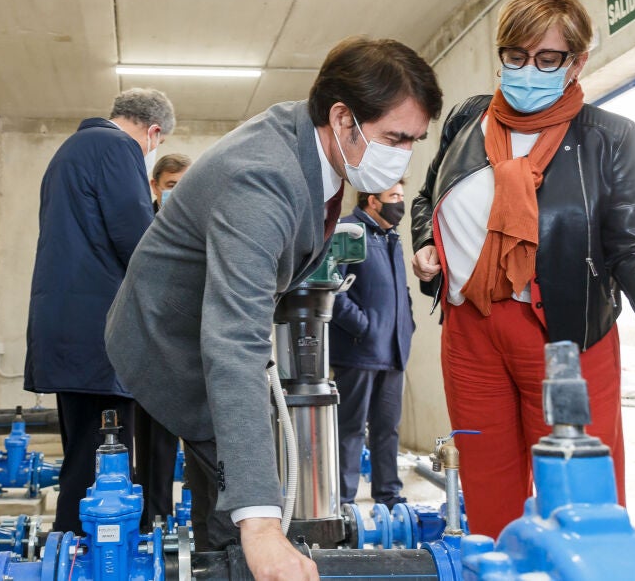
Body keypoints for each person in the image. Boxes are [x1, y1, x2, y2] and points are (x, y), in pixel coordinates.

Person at [106, 37, 442, 580]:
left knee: (241, 471)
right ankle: (234, 559)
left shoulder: (316, 148)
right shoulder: (262, 180)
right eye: (395, 138)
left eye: (414, 141)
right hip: (167, 341)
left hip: (206, 326)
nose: (404, 155)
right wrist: (262, 528)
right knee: (241, 496)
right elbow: (233, 343)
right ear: (343, 118)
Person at [409, 0, 635, 540]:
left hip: (566, 333)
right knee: (486, 483)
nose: (526, 70)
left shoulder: (609, 137)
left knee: (579, 490)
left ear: (577, 62)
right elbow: (425, 198)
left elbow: (631, 242)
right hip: (470, 331)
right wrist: (426, 243)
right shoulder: (467, 119)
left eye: (547, 59)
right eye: (515, 56)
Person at [24, 88, 174, 535]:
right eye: (157, 144)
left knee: (81, 460)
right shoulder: (118, 147)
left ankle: (69, 552)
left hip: (67, 331)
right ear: (152, 132)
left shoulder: (71, 151)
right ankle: (88, 554)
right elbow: (138, 241)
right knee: (104, 470)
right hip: (99, 338)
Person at [329, 181, 415, 508]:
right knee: (350, 429)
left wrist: (406, 324)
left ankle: (389, 497)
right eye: (394, 197)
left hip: (393, 351)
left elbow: (401, 290)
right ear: (372, 201)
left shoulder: (391, 237)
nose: (400, 203)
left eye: (402, 197)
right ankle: (344, 502)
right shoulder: (348, 231)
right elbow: (333, 287)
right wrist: (363, 327)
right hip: (358, 351)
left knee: (387, 429)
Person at [135, 152, 192, 529]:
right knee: (155, 443)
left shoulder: (199, 223)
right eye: (171, 185)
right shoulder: (141, 225)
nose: (177, 192)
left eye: (184, 185)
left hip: (191, 348)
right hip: (152, 349)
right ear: (155, 186)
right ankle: (154, 521)